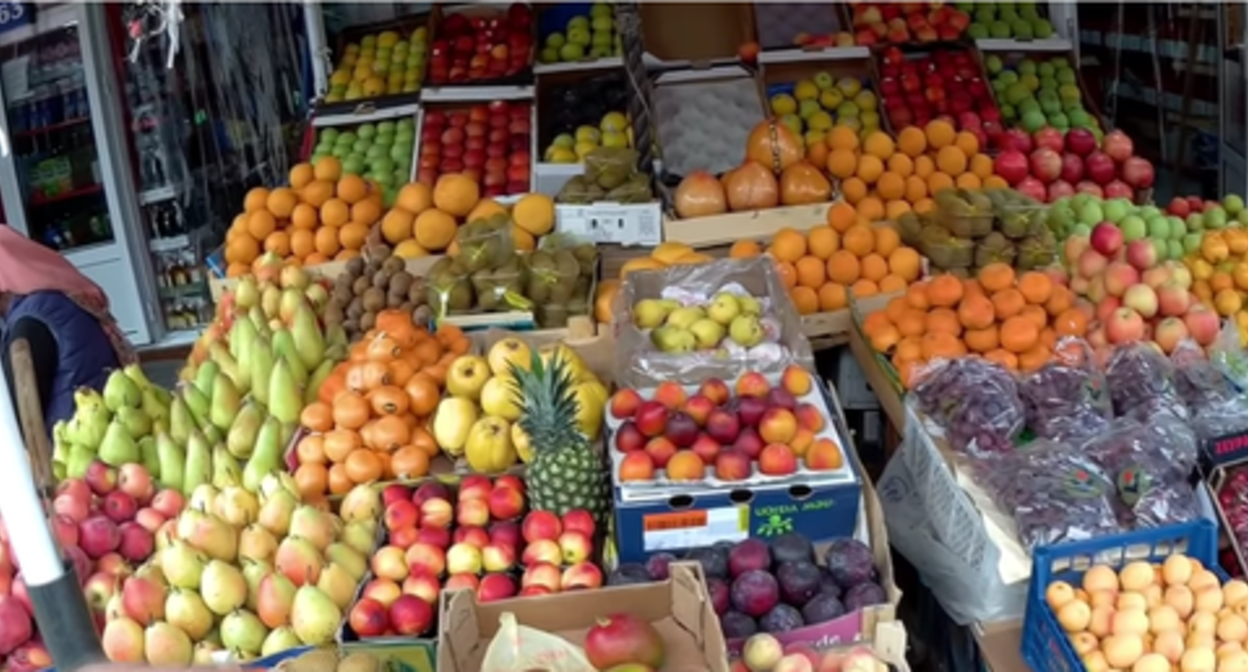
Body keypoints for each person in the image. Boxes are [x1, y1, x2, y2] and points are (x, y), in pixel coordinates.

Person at [0, 226, 137, 436]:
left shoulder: (30, 325)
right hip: (110, 434)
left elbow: (11, 424)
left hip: (77, 453)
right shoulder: (54, 302)